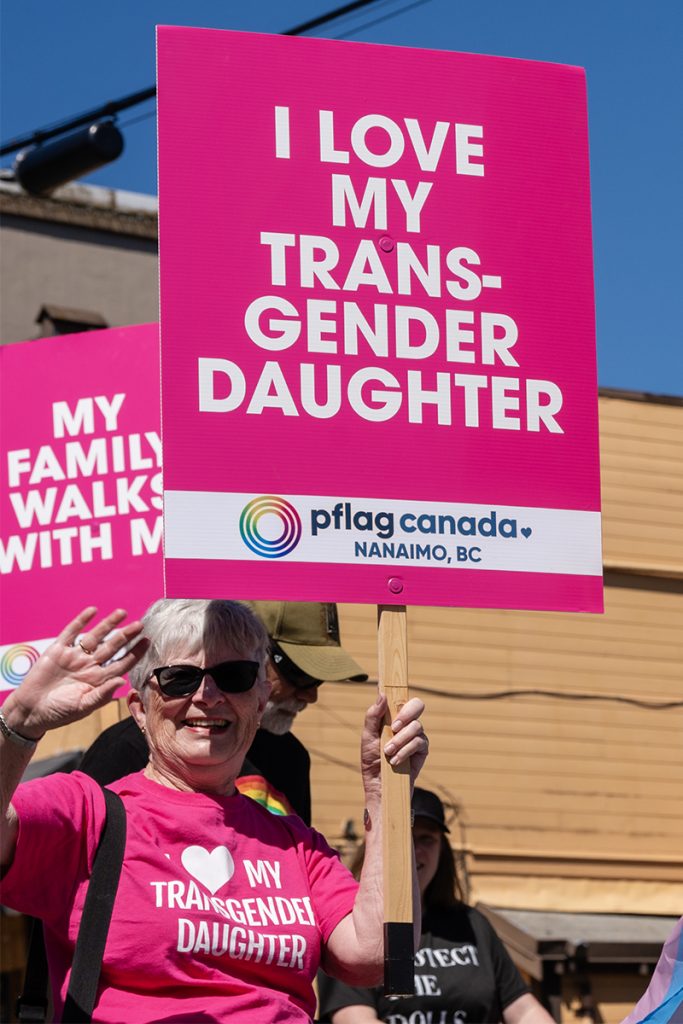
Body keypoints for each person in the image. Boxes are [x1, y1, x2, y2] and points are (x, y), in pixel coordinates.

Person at [0, 602, 427, 1022]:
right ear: (139, 711)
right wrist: (18, 725)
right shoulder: (88, 812)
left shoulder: (294, 841)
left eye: (234, 677)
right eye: (179, 679)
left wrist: (382, 792)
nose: (207, 695)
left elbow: (376, 955)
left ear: (260, 703)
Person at [79, 600, 368, 824]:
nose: (310, 694)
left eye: (317, 679)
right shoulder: (126, 749)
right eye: (299, 674)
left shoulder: (289, 757)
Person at [318, 787, 555, 1024]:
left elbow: (524, 1011)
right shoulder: (349, 925)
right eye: (404, 836)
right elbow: (354, 1018)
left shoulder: (471, 925)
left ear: (443, 851)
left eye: (427, 839)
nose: (414, 850)